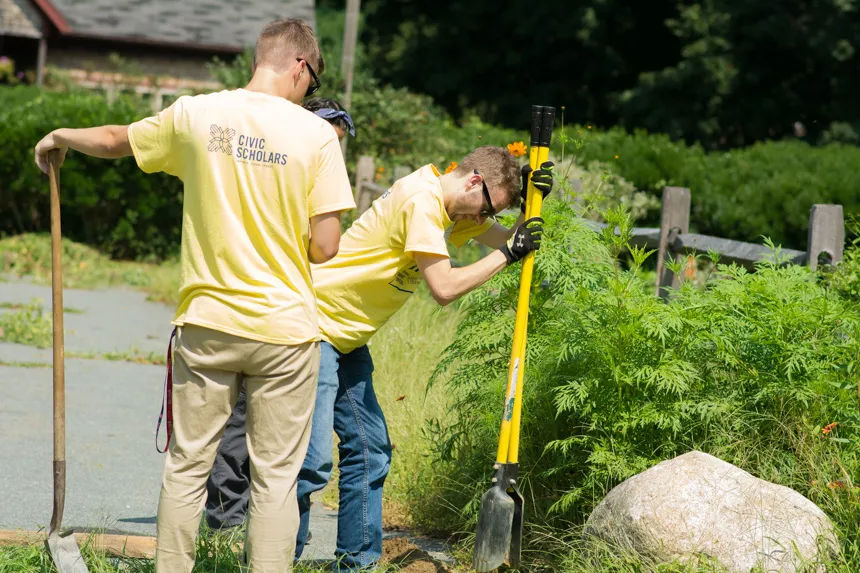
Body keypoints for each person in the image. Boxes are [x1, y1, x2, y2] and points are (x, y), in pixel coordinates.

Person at [34, 17, 356, 573]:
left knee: (188, 467)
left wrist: (60, 137)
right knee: (275, 478)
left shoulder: (197, 114)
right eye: (314, 79)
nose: (312, 91)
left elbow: (116, 139)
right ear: (300, 65)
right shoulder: (317, 137)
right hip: (284, 332)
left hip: (208, 323)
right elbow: (325, 246)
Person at [206, 142, 553, 570]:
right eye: (486, 209)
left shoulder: (451, 207)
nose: (483, 220)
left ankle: (357, 564)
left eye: (490, 214)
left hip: (345, 339)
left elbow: (514, 240)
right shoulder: (421, 201)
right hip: (312, 329)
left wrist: (532, 206)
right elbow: (445, 288)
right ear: (473, 180)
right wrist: (506, 255)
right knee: (310, 463)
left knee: (372, 451)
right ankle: (271, 561)